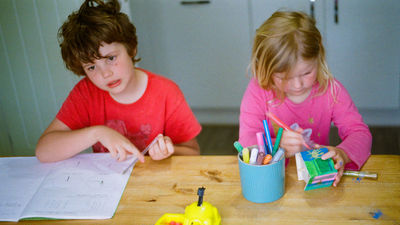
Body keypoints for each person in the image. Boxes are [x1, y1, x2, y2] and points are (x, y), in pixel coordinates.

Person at [36, 0, 201, 163]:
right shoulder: (85, 93)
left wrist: (167, 152)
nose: (105, 74)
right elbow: (44, 151)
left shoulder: (166, 92)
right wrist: (98, 133)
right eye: (91, 67)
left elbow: (193, 152)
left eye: (110, 58)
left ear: (131, 48)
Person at [239, 11, 372, 187]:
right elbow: (245, 143)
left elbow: (360, 133)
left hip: (318, 181)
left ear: (319, 58)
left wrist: (343, 153)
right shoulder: (259, 91)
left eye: (307, 73)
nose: (297, 85)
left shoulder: (331, 90)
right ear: (266, 69)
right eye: (284, 77)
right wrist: (276, 146)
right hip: (271, 182)